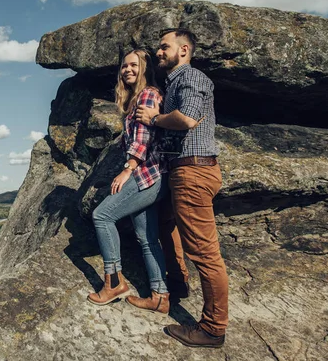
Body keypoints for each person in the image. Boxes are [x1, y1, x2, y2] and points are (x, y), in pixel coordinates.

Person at [135, 28, 228, 348]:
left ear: (184, 50)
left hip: (193, 172)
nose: (159, 52)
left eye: (165, 47)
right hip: (183, 171)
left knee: (204, 254)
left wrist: (153, 118)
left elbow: (187, 119)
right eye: (158, 47)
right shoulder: (175, 82)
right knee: (166, 223)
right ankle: (178, 282)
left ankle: (213, 329)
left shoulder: (193, 78)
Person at [87, 49, 171, 314]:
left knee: (102, 216)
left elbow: (143, 139)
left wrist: (127, 168)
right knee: (147, 237)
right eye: (124, 66)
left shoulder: (148, 94)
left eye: (134, 65)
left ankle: (114, 283)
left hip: (147, 174)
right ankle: (160, 296)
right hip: (152, 175)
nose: (127, 70)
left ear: (144, 68)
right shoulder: (137, 99)